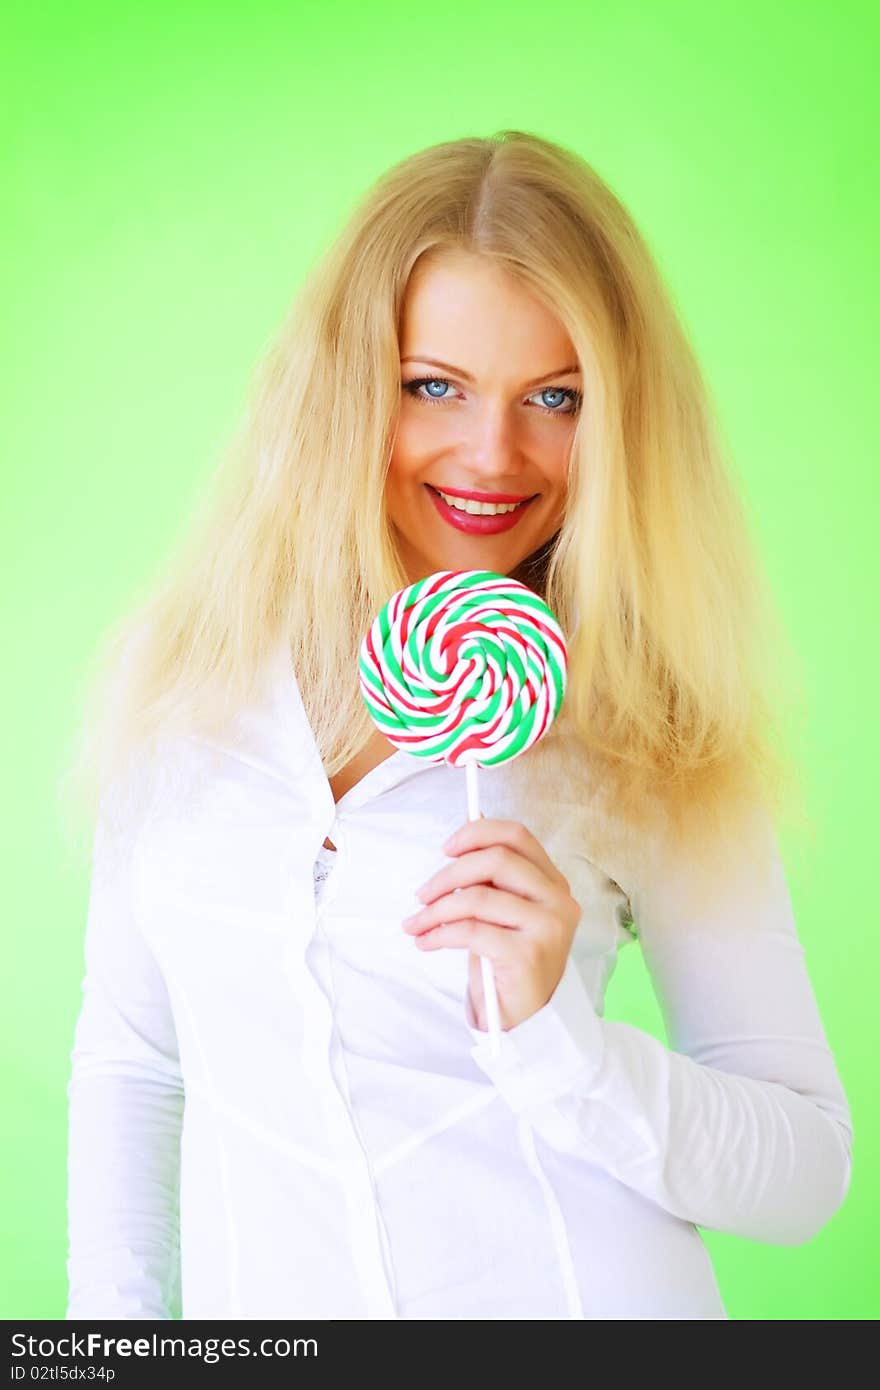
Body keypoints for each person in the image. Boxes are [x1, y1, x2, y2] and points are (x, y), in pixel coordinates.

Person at [62, 130, 853, 1321]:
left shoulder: (644, 721)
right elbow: (135, 1065)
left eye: (556, 397)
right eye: (433, 384)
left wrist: (560, 1037)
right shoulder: (182, 678)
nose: (493, 454)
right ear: (346, 386)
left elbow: (803, 1172)